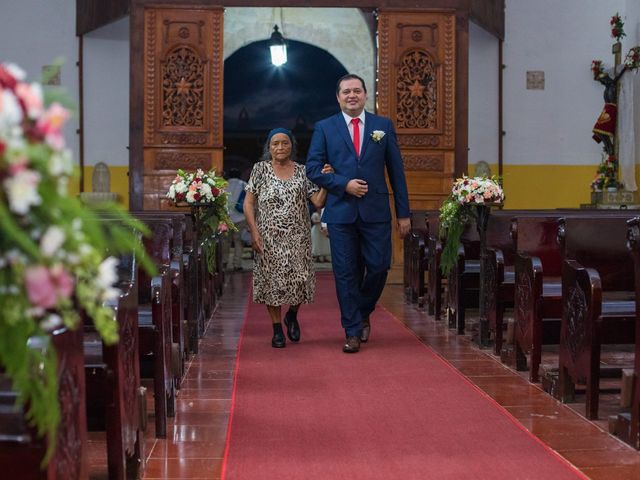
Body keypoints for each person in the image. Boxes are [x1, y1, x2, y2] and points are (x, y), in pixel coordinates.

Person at [306, 73, 411, 354]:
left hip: (376, 212)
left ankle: (363, 309)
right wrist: (344, 184)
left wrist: (404, 213)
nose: (351, 95)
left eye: (356, 91)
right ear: (338, 97)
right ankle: (352, 330)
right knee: (345, 273)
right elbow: (313, 168)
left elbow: (396, 173)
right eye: (346, 92)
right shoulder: (325, 128)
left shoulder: (382, 126)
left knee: (378, 267)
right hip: (341, 213)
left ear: (365, 95)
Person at [244, 128, 332, 348]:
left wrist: (327, 180)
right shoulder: (260, 170)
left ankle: (292, 315)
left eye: (285, 143)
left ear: (292, 146)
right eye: (275, 144)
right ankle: (276, 330)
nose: (280, 147)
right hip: (268, 238)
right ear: (269, 147)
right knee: (272, 284)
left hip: (298, 238)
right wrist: (254, 232)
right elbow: (248, 203)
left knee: (300, 281)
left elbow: (318, 202)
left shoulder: (303, 171)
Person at [223, 167, 248, 271]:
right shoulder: (244, 185)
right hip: (241, 217)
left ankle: (224, 262)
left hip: (227, 217)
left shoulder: (224, 185)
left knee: (225, 241)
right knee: (238, 241)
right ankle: (237, 264)